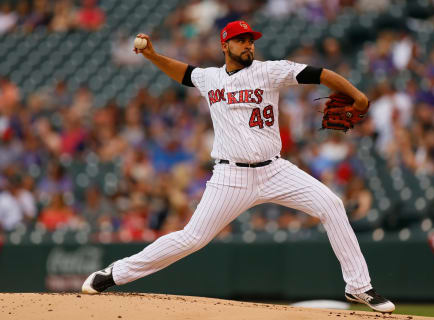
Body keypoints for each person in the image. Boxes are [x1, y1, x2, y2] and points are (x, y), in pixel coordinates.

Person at [82, 20, 395, 313]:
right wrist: (152, 55)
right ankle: (115, 273)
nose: (248, 45)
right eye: (240, 40)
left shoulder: (270, 71)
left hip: (275, 170)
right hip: (230, 176)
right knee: (192, 238)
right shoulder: (210, 78)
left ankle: (359, 286)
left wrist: (357, 95)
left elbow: (322, 74)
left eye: (250, 40)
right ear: (225, 45)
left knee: (332, 204)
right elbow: (184, 73)